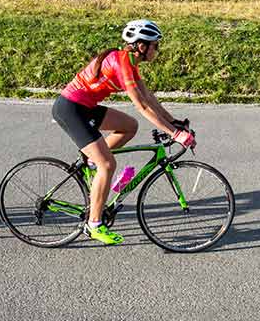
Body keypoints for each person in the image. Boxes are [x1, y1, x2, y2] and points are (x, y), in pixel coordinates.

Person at [51, 19, 194, 245]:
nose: (157, 50)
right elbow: (142, 107)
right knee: (108, 165)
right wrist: (176, 135)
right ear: (141, 46)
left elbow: (149, 98)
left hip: (85, 108)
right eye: (155, 45)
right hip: (70, 109)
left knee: (130, 126)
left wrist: (173, 122)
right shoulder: (122, 63)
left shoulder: (129, 61)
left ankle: (92, 162)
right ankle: (94, 224)